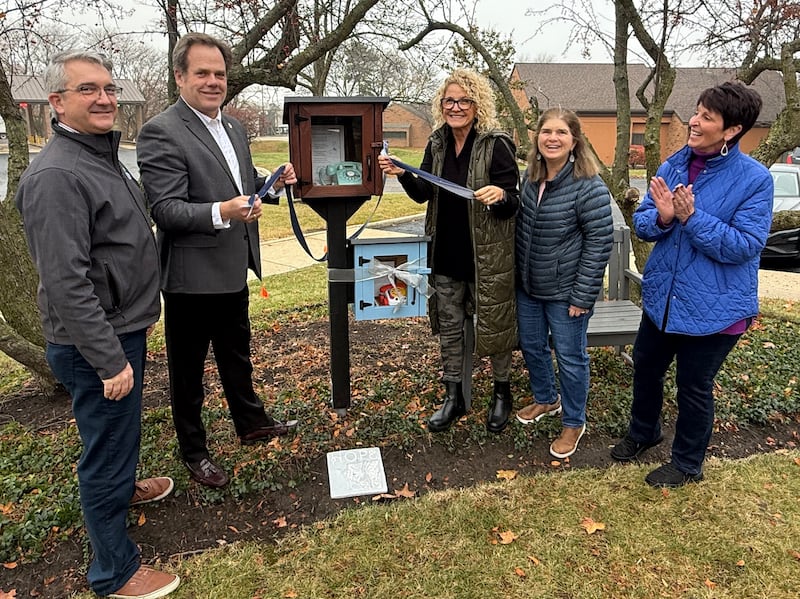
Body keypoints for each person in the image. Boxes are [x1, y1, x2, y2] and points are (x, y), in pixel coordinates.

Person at [15, 50, 179, 598]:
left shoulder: (101, 155)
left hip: (121, 327)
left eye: (109, 87)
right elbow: (66, 282)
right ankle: (115, 571)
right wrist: (108, 357)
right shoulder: (58, 174)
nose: (105, 98)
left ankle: (126, 488)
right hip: (96, 342)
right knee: (104, 451)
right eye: (88, 90)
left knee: (118, 434)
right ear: (55, 103)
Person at [137, 32, 297, 489]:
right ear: (180, 77)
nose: (213, 82)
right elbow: (165, 209)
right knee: (187, 373)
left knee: (236, 355)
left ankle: (252, 424)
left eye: (219, 74)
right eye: (202, 73)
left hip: (233, 267)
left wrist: (272, 181)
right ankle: (194, 450)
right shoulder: (161, 131)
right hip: (190, 278)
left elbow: (240, 179)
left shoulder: (234, 128)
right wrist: (222, 211)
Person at [610, 81, 773, 487]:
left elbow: (745, 246)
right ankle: (644, 431)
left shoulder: (756, 180)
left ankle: (686, 463)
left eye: (706, 117)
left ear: (731, 130)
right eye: (697, 112)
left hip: (717, 308)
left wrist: (691, 217)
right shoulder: (672, 165)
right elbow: (643, 223)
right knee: (646, 368)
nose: (694, 122)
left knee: (693, 385)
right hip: (664, 299)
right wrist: (664, 217)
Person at [378, 69, 520, 434]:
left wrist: (500, 195)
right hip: (446, 251)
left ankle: (502, 393)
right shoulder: (438, 142)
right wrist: (402, 174)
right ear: (441, 105)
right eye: (449, 101)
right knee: (451, 328)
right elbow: (424, 192)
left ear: (477, 104)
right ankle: (453, 395)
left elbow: (514, 202)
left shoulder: (496, 143)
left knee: (496, 325)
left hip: (486, 257)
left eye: (463, 100)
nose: (456, 107)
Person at [514, 108, 614, 458]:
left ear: (574, 141)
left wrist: (583, 296)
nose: (552, 138)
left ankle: (574, 421)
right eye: (546, 131)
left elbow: (600, 242)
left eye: (560, 132)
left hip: (567, 293)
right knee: (532, 346)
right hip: (529, 286)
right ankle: (547, 400)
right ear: (537, 138)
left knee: (571, 358)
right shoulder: (530, 178)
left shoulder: (589, 186)